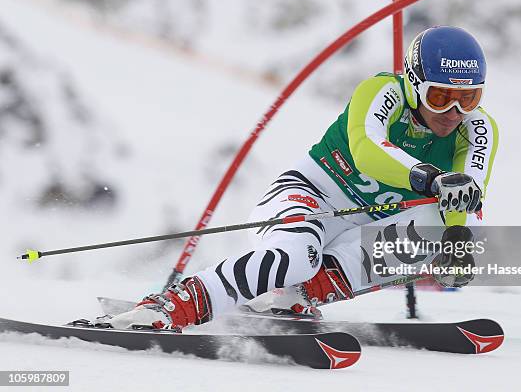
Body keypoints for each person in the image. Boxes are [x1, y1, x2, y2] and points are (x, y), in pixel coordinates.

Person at [110, 26, 499, 330]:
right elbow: (368, 149)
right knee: (297, 257)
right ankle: (173, 306)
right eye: (439, 97)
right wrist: (430, 178)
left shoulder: (477, 129)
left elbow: (466, 194)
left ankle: (295, 295)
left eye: (468, 99)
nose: (452, 112)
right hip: (309, 197)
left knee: (453, 225)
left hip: (363, 226)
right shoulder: (382, 91)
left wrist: (456, 241)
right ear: (414, 83)